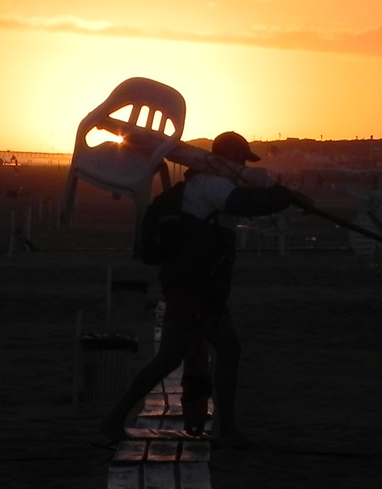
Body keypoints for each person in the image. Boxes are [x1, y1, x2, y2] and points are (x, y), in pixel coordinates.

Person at [96, 131, 311, 449]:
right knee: (187, 355)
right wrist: (286, 198)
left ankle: (225, 428)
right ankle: (118, 420)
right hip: (193, 284)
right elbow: (243, 204)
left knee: (201, 354)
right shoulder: (211, 184)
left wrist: (284, 195)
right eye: (240, 158)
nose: (242, 165)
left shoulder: (211, 182)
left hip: (202, 284)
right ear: (230, 157)